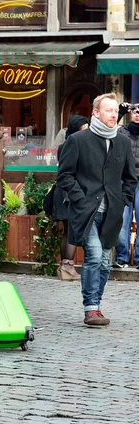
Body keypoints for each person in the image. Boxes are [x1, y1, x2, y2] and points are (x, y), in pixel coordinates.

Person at [57, 93, 137, 326]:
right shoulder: (79, 140)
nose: (114, 114)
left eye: (115, 110)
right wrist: (79, 199)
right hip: (86, 210)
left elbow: (130, 178)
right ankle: (91, 308)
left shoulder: (122, 141)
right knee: (93, 255)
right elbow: (65, 175)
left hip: (112, 211)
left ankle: (97, 305)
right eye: (109, 110)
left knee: (103, 261)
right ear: (96, 113)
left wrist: (122, 199)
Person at [49, 115, 89, 281]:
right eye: (84, 128)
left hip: (63, 191)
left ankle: (64, 266)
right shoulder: (74, 144)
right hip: (68, 193)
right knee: (72, 230)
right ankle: (67, 267)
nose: (87, 131)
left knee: (68, 229)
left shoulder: (64, 144)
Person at [114, 102, 139, 268]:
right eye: (135, 110)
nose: (138, 114)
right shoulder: (122, 131)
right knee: (123, 219)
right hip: (125, 179)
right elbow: (108, 130)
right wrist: (121, 111)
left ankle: (138, 258)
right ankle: (122, 257)